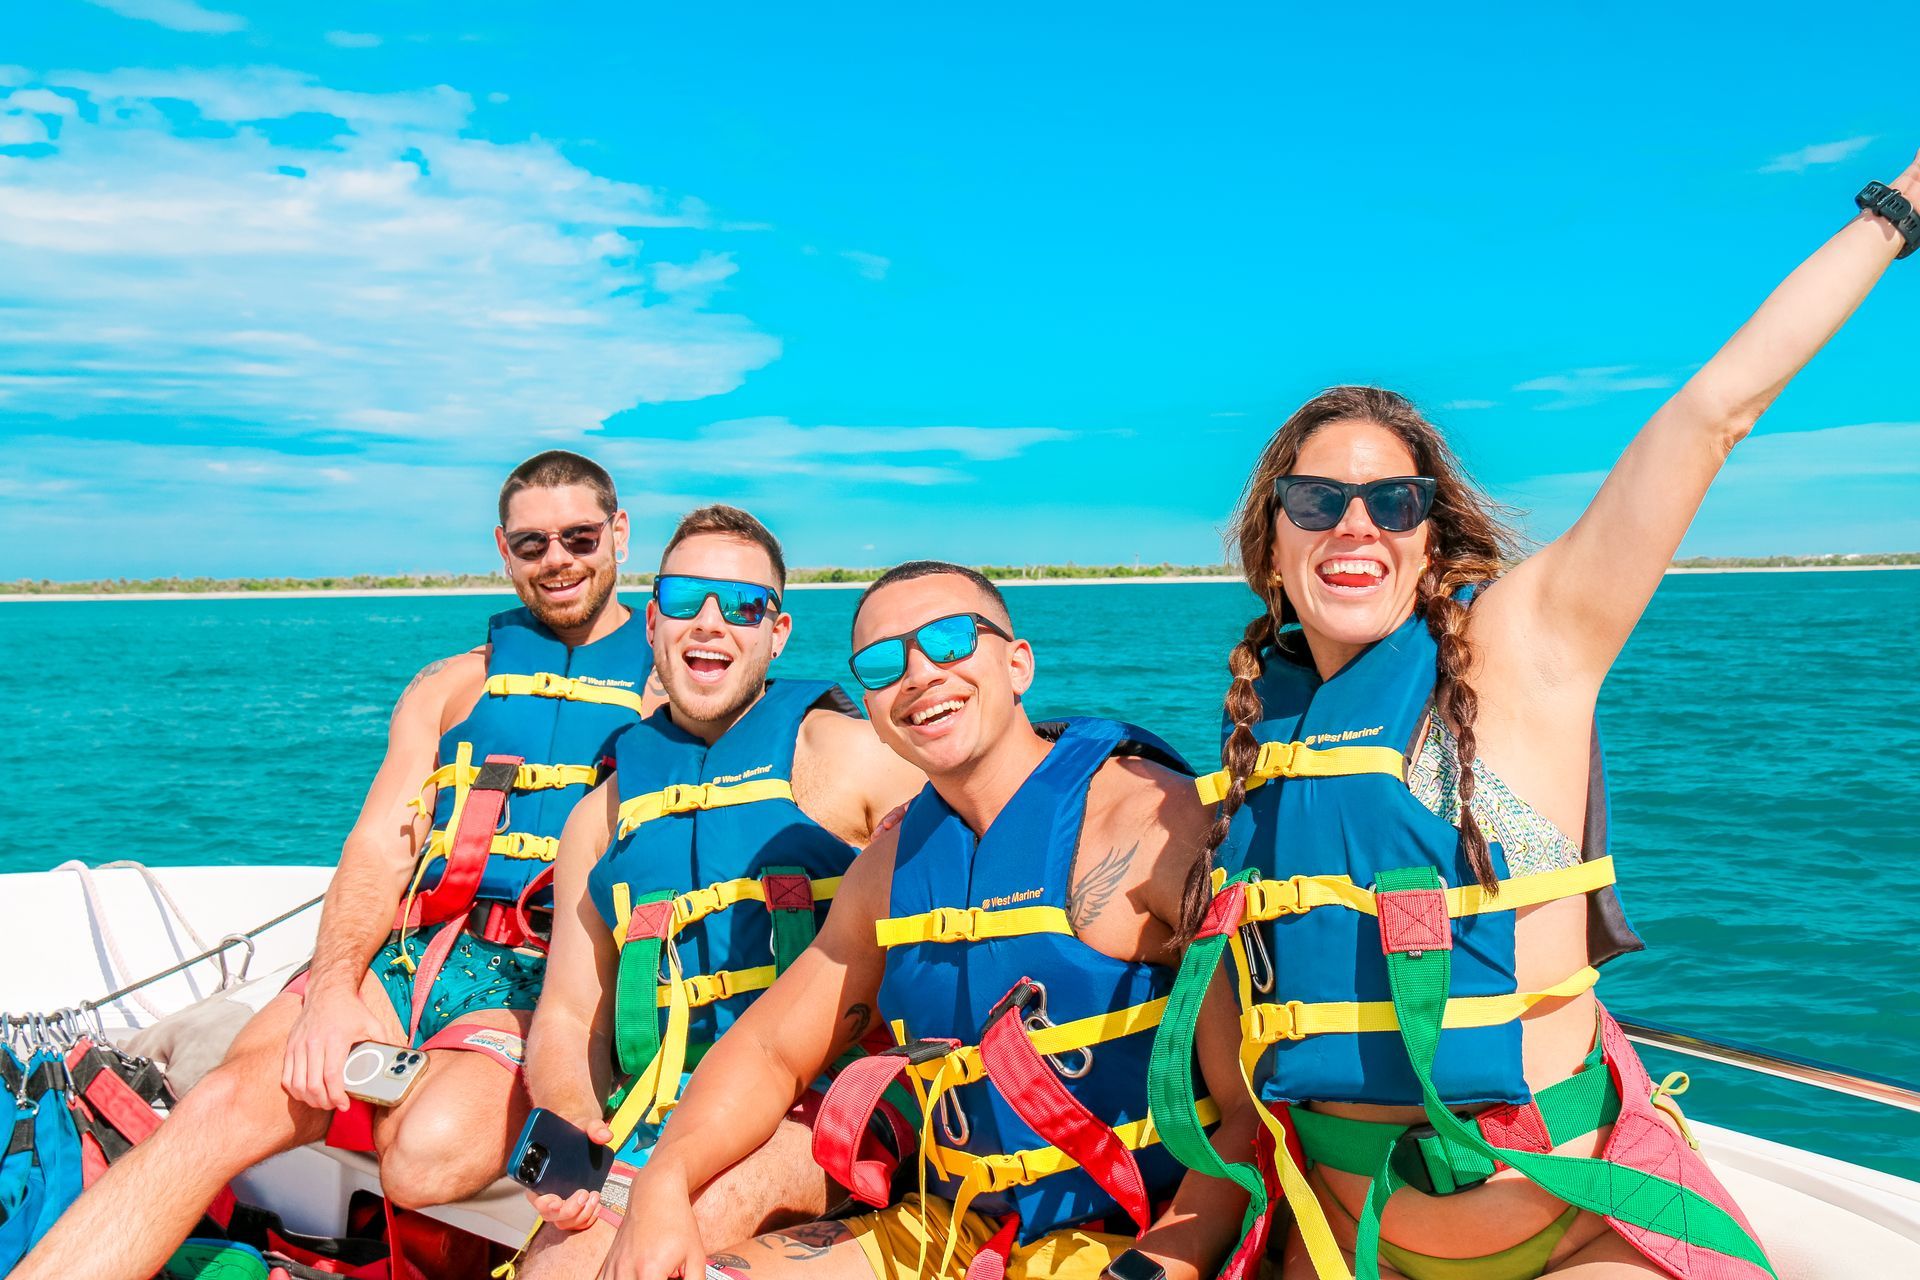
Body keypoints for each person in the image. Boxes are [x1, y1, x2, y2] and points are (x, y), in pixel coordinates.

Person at [1161, 158, 1920, 1280]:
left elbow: (1715, 413)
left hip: (1559, 1231)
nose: (1353, 524)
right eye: (1316, 501)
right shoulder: (1254, 740)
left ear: (1430, 536)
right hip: (1336, 1238)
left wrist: (1897, 212)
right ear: (1269, 540)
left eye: (1393, 501)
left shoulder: (1526, 646)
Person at [16, 450, 659, 1280]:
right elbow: (377, 849)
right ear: (504, 550)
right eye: (533, 545)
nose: (558, 560)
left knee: (422, 1157)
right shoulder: (449, 688)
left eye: (578, 537)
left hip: (540, 977)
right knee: (223, 1102)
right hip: (410, 953)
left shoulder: (669, 686)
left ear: (619, 534)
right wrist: (329, 993)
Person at [599, 560, 1261, 1280]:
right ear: (876, 715)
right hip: (945, 1231)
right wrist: (662, 1183)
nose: (918, 674)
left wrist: (1167, 1260)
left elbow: (1251, 1108)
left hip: (1131, 1236)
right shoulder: (887, 872)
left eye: (949, 641)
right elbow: (772, 1053)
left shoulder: (1155, 826)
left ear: (1018, 664)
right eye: (884, 665)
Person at [514, 506, 926, 1279]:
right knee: (553, 1264)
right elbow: (569, 1013)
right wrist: (570, 1114)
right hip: (660, 1114)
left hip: (826, 1103)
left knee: (638, 1252)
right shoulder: (596, 819)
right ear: (651, 622)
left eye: (742, 605)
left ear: (777, 632)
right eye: (683, 600)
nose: (710, 623)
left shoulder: (858, 761)